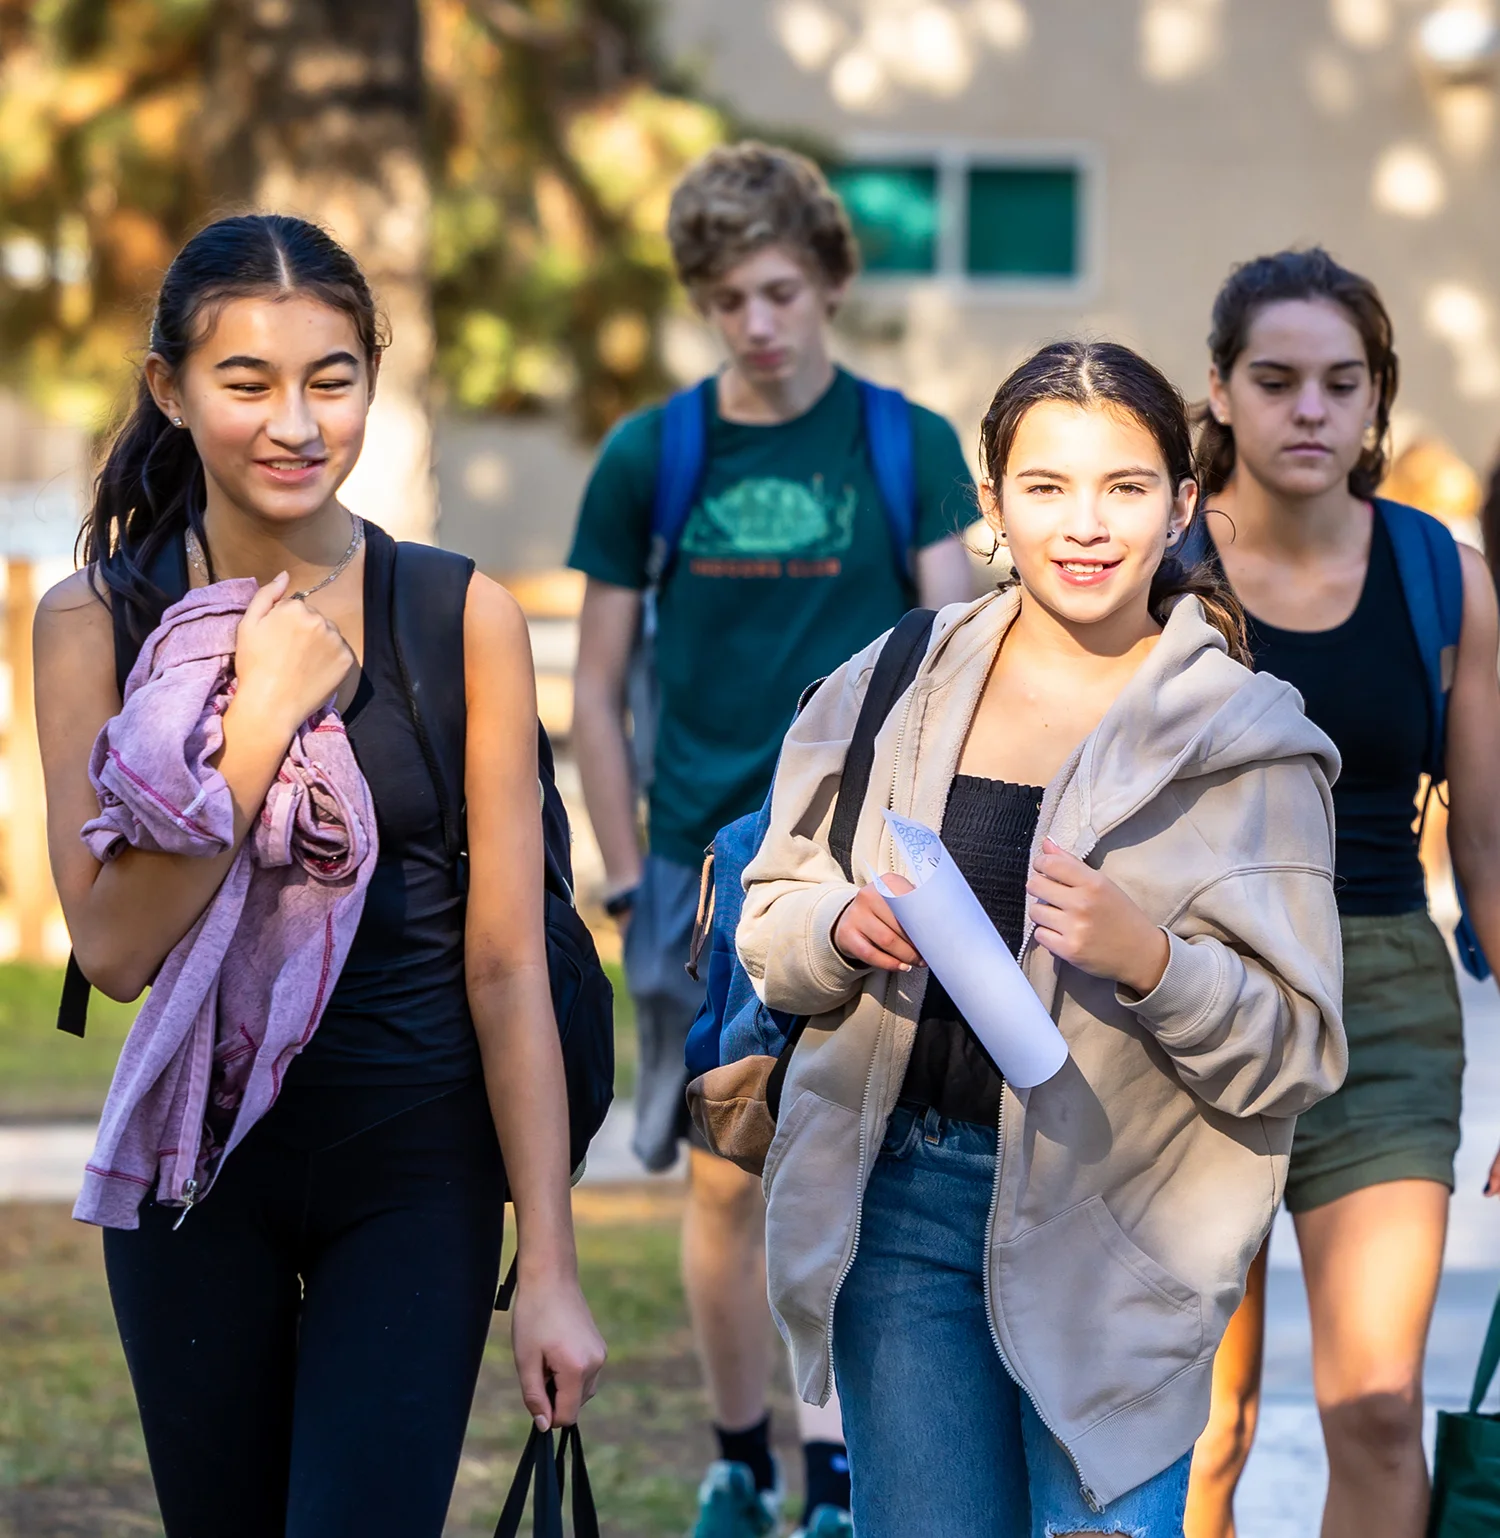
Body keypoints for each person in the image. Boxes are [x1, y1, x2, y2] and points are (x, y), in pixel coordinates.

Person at [34, 213, 606, 1538]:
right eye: (247, 382)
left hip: (416, 1163)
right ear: (172, 391)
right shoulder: (91, 622)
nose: (295, 421)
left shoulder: (459, 613)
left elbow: (509, 962)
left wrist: (556, 1267)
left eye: (330, 378)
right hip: (196, 1174)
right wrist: (252, 729)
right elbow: (114, 946)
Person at [735, 339, 1349, 1538]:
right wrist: (838, 925)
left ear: (1182, 505)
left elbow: (1298, 1049)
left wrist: (1155, 962)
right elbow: (771, 913)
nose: (1085, 524)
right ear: (993, 507)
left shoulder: (1252, 741)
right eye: (1046, 486)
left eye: (1124, 487)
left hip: (1123, 1231)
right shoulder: (888, 680)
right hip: (900, 1207)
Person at [568, 141, 976, 1537]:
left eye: (783, 291)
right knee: (729, 1169)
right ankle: (740, 1462)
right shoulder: (654, 453)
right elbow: (601, 686)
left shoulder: (902, 444)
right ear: (703, 300)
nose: (759, 322)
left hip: (860, 864)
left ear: (829, 286)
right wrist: (628, 873)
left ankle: (841, 1481)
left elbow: (951, 652)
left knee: (860, 1175)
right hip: (699, 868)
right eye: (731, 296)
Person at [1182, 249, 1500, 1538]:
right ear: (1221, 389)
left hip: (1382, 1000)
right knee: (1201, 1420)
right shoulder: (1154, 567)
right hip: (1182, 992)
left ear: (1377, 400)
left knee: (1374, 1406)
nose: (1308, 409)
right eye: (1275, 379)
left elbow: (1487, 851)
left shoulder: (1443, 574)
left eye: (1340, 382)